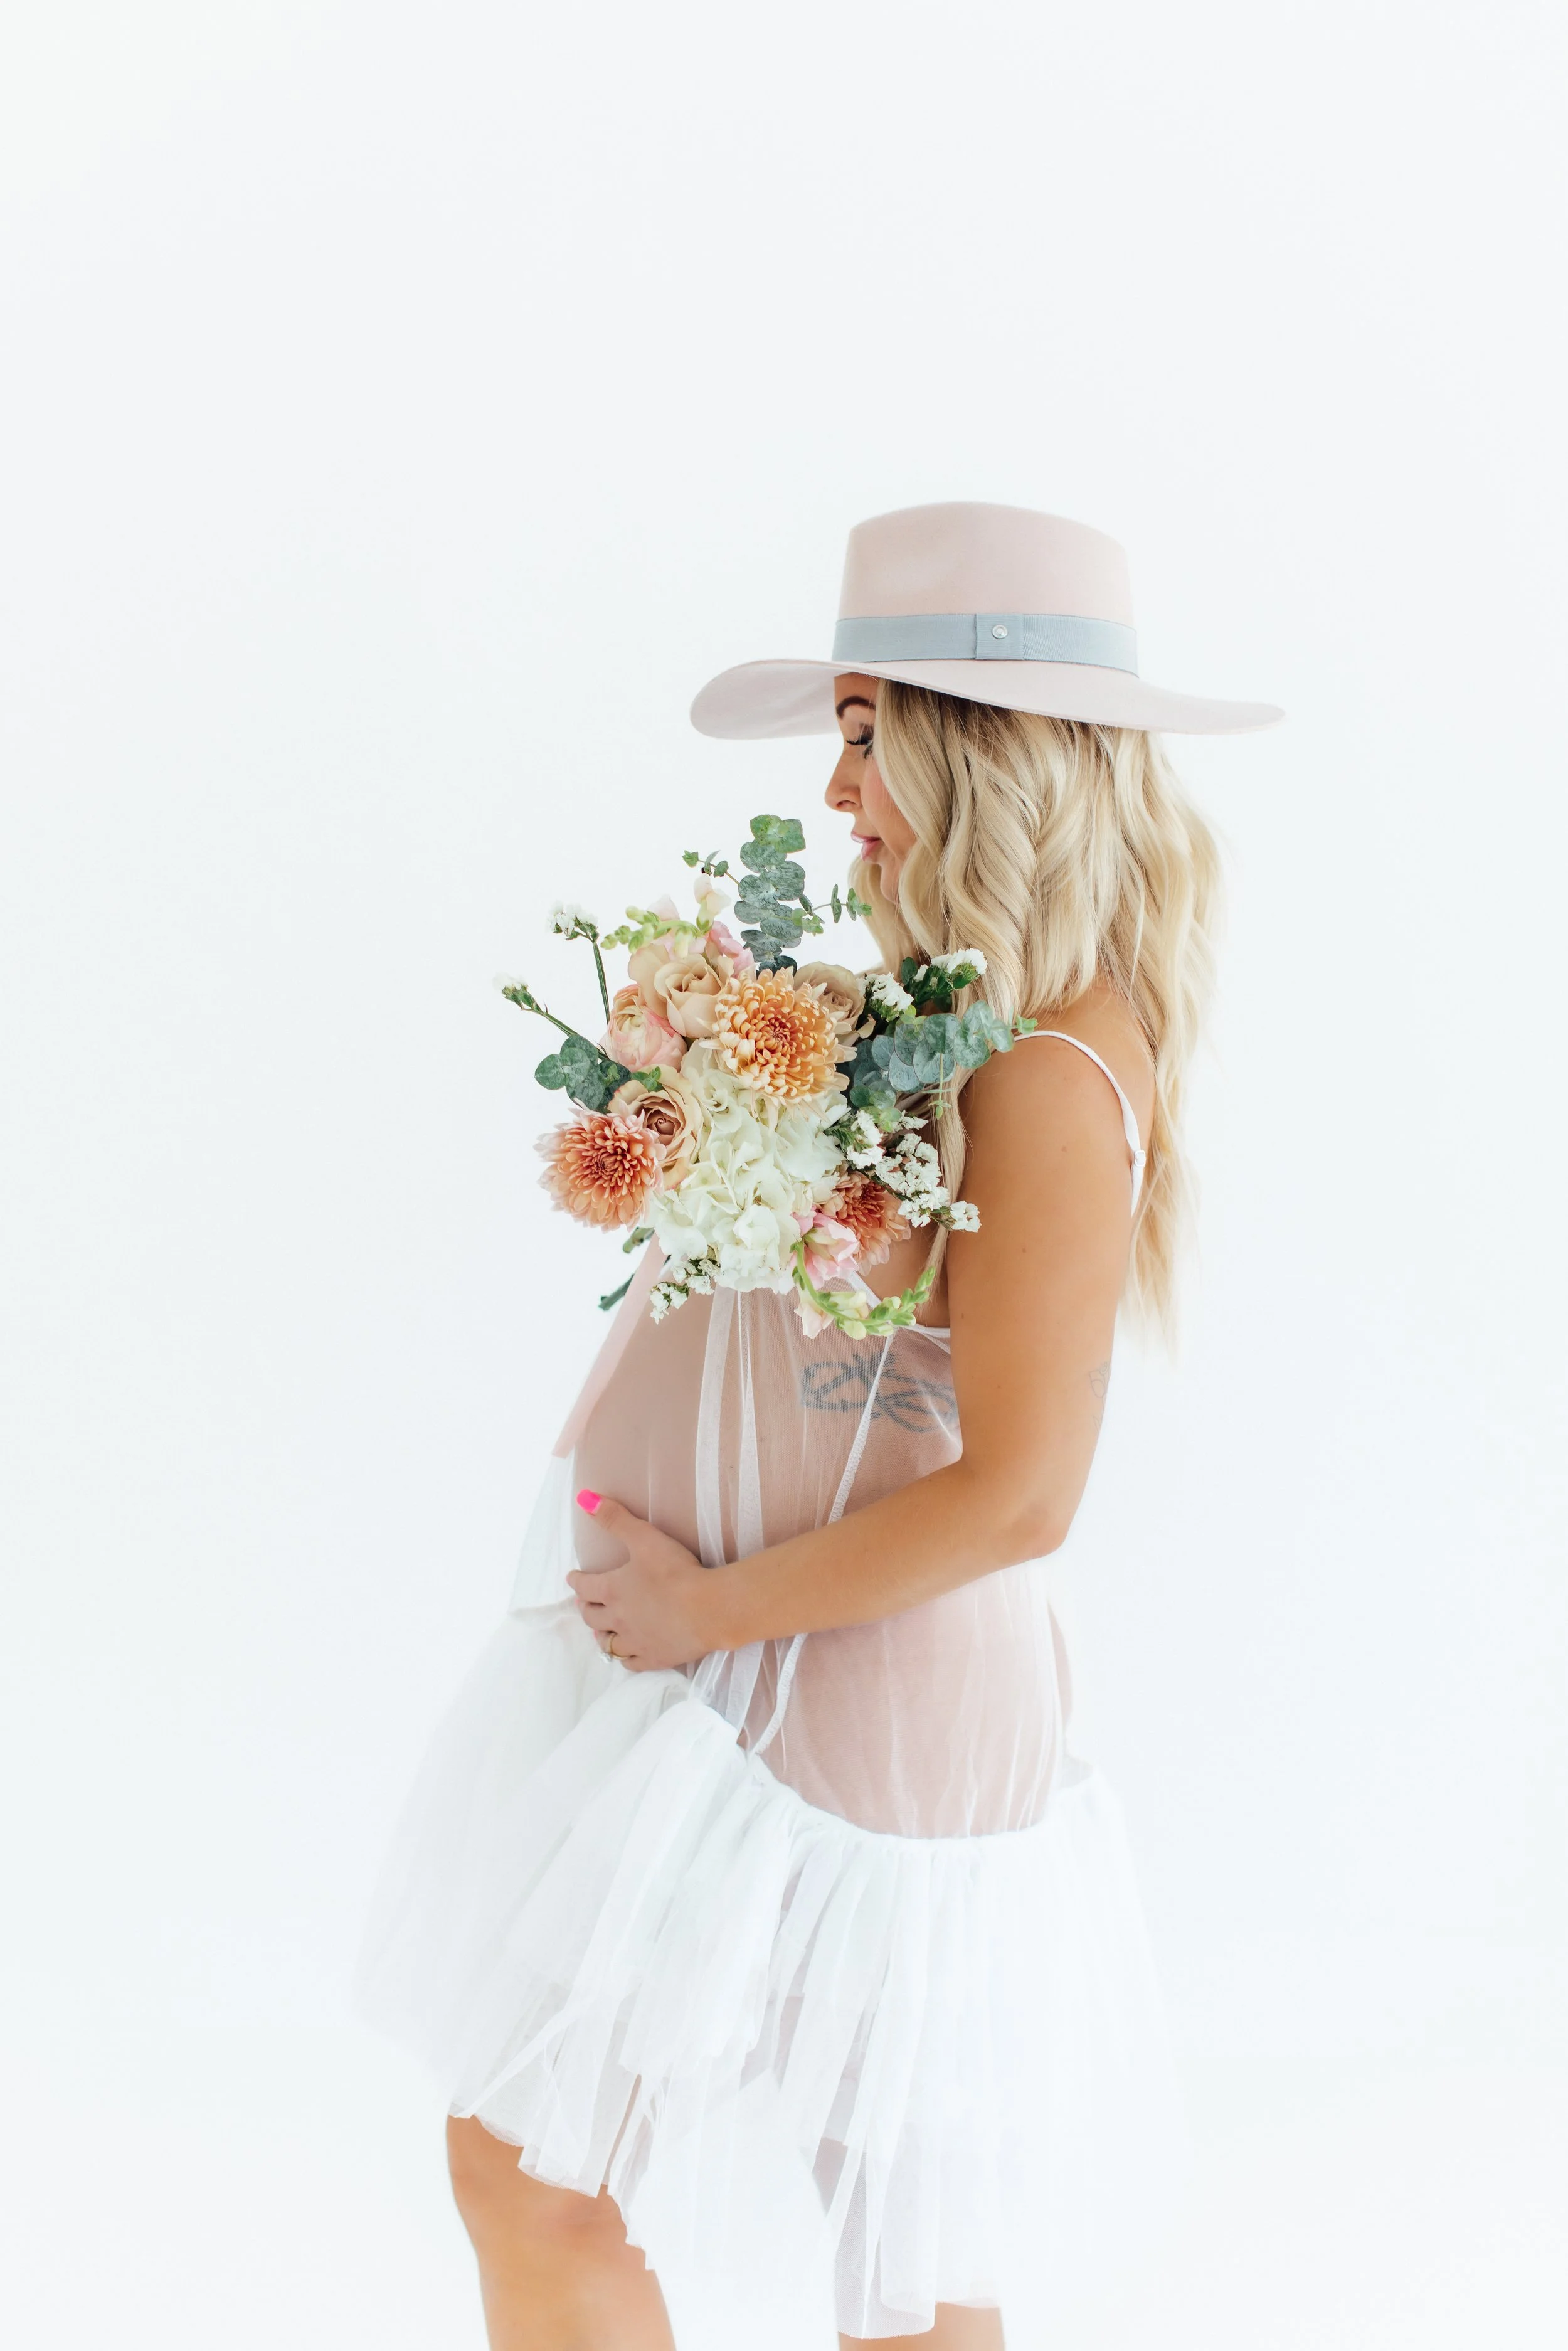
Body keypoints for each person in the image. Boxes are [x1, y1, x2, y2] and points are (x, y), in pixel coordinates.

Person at [355, 501, 1282, 2348]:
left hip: (844, 1688)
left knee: (883, 2252)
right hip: (742, 1668)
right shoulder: (944, 1018)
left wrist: (705, 1609)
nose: (837, 786)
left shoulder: (1046, 1068)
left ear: (982, 753)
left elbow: (1022, 1496)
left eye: (868, 732)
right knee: (547, 2163)